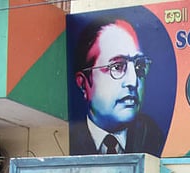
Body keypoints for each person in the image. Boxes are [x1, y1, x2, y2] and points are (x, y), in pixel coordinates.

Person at [70, 17, 166, 156]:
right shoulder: (66, 139)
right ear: (83, 83)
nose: (133, 82)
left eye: (139, 66)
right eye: (117, 66)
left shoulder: (154, 137)